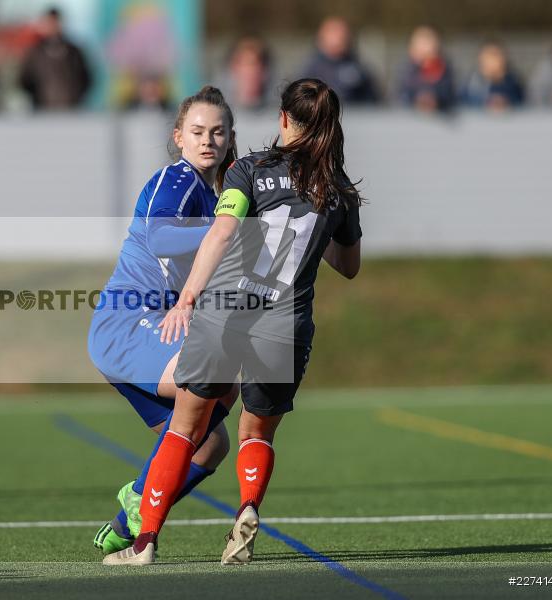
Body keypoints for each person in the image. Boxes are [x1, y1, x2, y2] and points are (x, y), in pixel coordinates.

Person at [102, 78, 362, 565]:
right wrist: (319, 222)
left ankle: (144, 542)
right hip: (285, 324)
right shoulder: (339, 188)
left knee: (184, 427)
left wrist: (189, 298)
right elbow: (348, 266)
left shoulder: (250, 169)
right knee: (256, 434)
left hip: (224, 313)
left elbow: (222, 233)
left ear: (283, 118)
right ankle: (246, 507)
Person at [88, 86, 239, 555]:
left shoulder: (215, 196)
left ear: (230, 139)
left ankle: (125, 524)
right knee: (210, 383)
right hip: (127, 325)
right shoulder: (178, 180)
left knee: (210, 444)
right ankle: (138, 501)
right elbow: (159, 237)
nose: (206, 140)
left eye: (217, 132)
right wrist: (222, 230)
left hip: (152, 329)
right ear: (179, 136)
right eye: (196, 131)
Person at [18, 7, 92, 110]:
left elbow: (86, 78)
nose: (53, 26)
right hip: (43, 110)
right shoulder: (35, 53)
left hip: (71, 111)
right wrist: (36, 97)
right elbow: (24, 80)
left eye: (55, 22)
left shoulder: (74, 52)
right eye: (49, 22)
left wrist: (76, 96)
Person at [298, 17, 379, 105]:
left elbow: (373, 99)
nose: (338, 39)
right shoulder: (310, 70)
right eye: (333, 32)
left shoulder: (359, 69)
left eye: (343, 35)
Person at [397, 25, 456, 112]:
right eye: (421, 42)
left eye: (428, 41)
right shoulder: (404, 72)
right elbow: (398, 98)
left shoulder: (446, 73)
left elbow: (450, 96)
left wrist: (436, 100)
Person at [460, 40, 524, 111]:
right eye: (488, 55)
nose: (491, 60)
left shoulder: (513, 83)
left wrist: (506, 102)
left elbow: (521, 102)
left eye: (495, 55)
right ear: (480, 58)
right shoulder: (471, 83)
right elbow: (463, 103)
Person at [220, 36, 273, 111]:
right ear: (233, 67)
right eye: (245, 63)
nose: (251, 71)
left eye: (256, 63)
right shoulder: (218, 111)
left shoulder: (279, 114)